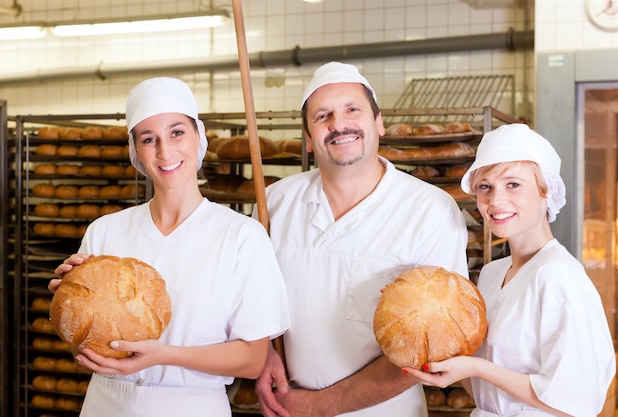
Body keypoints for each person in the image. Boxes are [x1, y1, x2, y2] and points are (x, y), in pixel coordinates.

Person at [48, 77, 290, 417]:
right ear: (136, 151)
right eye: (149, 139)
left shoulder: (241, 236)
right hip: (107, 403)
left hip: (192, 405)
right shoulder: (105, 231)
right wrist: (69, 306)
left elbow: (252, 361)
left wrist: (163, 355)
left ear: (198, 137)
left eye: (176, 133)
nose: (165, 151)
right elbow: (84, 353)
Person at [253, 61, 469, 417]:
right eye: (323, 116)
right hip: (287, 406)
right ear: (308, 137)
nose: (338, 124)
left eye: (352, 109)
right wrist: (263, 356)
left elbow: (430, 345)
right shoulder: (275, 202)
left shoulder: (430, 210)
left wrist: (321, 406)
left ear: (378, 122)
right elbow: (252, 301)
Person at [403, 123, 616, 417]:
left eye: (513, 184)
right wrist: (415, 314)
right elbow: (485, 392)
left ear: (546, 191)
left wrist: (475, 367)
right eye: (485, 187)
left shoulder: (558, 275)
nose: (495, 200)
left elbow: (575, 402)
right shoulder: (492, 273)